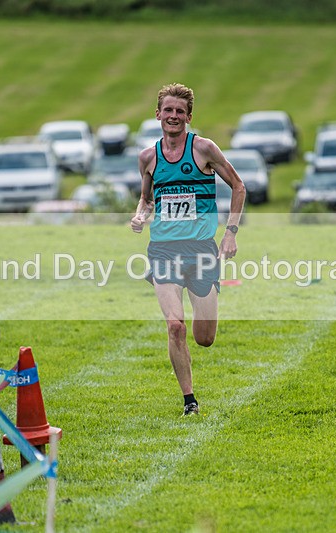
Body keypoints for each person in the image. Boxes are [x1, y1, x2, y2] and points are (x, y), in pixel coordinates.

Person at [130, 83, 245, 416]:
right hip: (163, 251)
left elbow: (239, 186)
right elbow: (147, 199)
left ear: (189, 117)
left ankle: (201, 323)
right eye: (168, 110)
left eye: (180, 111)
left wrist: (231, 233)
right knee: (175, 326)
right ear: (158, 114)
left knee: (204, 337)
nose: (174, 116)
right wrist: (139, 216)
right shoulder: (147, 157)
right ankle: (189, 400)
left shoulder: (204, 150)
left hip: (202, 250)